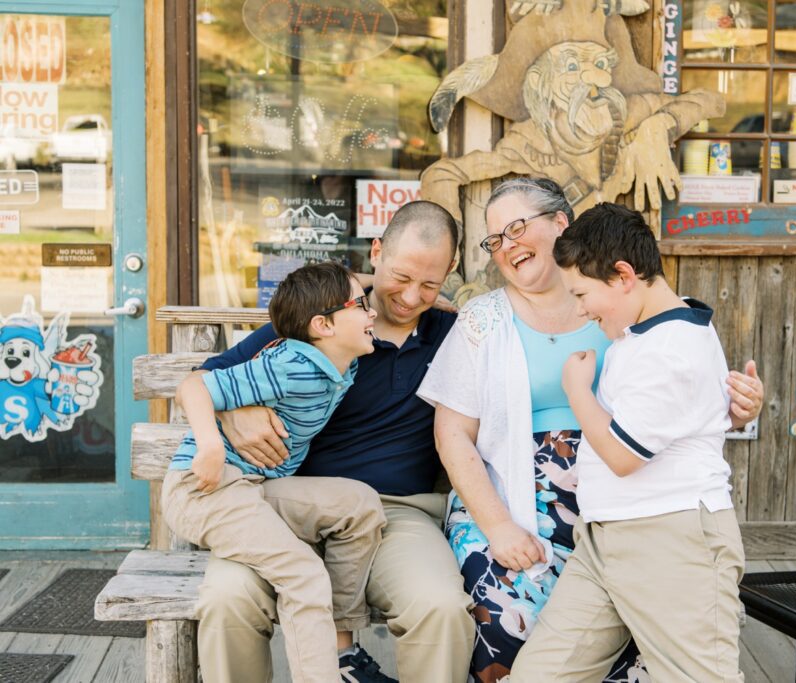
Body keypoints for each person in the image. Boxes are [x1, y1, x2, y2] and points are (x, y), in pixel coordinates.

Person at [416, 178, 761, 683]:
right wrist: (499, 525)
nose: (506, 246)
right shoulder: (498, 319)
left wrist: (734, 410)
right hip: (564, 513)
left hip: (656, 522)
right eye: (495, 240)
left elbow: (673, 401)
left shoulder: (642, 319)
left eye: (516, 227)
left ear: (561, 225)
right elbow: (452, 433)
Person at [184, 201, 477, 683]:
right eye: (401, 277)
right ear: (376, 252)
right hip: (280, 509)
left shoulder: (455, 335)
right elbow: (206, 378)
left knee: (441, 607)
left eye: (430, 284)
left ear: (450, 272)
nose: (410, 296)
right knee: (226, 598)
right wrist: (237, 413)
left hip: (394, 517)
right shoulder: (317, 326)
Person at [511, 202, 744, 682]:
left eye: (582, 292)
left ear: (622, 276)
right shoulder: (646, 333)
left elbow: (621, 454)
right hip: (608, 539)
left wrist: (576, 390)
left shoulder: (672, 347)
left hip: (671, 541)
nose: (579, 308)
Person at [163, 261, 388, 683]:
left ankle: (340, 648)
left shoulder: (342, 360)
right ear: (322, 325)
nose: (372, 311)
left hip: (256, 486)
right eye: (361, 305)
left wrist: (400, 286)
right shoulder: (288, 365)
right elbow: (194, 387)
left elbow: (358, 289)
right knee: (303, 573)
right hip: (205, 490)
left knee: (360, 504)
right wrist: (211, 444)